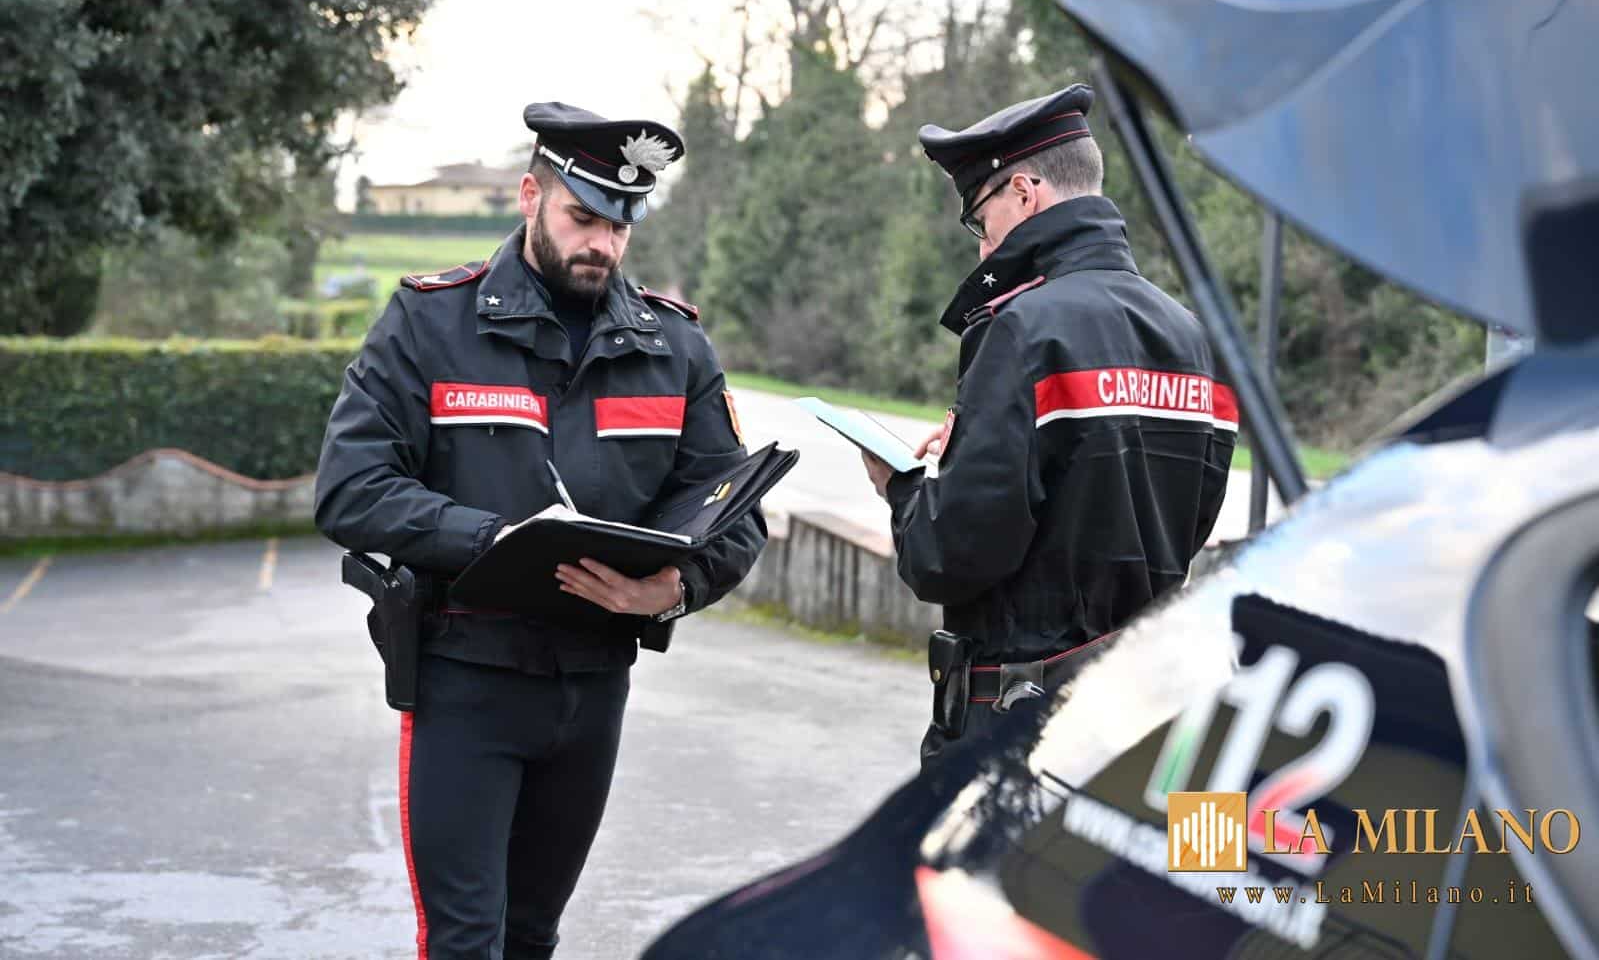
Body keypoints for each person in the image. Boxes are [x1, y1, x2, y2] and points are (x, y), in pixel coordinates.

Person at [315, 102, 767, 959]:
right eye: (582, 218)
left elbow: (731, 511)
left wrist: (672, 589)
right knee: (465, 941)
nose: (603, 243)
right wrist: (494, 541)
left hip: (595, 683)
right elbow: (352, 489)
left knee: (531, 936)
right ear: (531, 198)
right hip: (465, 678)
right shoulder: (429, 323)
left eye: (620, 225)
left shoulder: (673, 346)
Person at [858, 84, 1235, 764]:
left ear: (1025, 193)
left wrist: (903, 487)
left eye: (981, 220)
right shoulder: (1193, 336)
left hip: (1024, 719)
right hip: (1152, 712)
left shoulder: (1021, 328)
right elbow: (1185, 521)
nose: (983, 249)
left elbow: (949, 557)